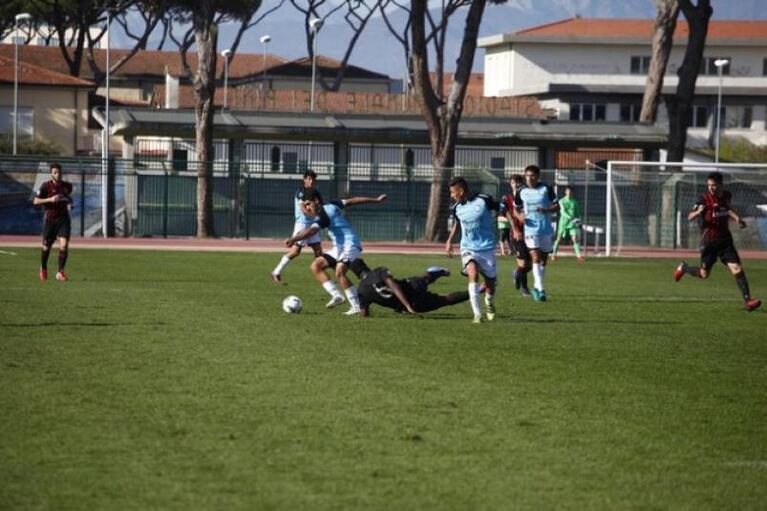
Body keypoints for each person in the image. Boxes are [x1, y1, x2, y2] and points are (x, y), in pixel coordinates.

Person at [286, 191, 387, 315]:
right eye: (305, 205)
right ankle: (337, 295)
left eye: (308, 204)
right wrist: (375, 200)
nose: (306, 208)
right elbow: (353, 200)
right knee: (316, 266)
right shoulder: (333, 204)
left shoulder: (323, 215)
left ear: (316, 201)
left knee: (340, 271)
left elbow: (311, 232)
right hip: (339, 247)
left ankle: (357, 306)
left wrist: (294, 239)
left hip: (350, 244)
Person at [674, 171, 761, 312]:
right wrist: (698, 212)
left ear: (720, 185)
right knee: (704, 274)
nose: (711, 188)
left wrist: (737, 218)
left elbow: (727, 208)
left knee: (737, 268)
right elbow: (689, 216)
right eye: (709, 185)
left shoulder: (727, 195)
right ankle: (684, 268)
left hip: (725, 240)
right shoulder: (703, 199)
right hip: (709, 242)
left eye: (714, 185)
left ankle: (748, 300)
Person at [445, 177, 499, 323]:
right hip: (468, 247)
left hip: (486, 247)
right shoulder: (456, 208)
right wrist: (450, 240)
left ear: (461, 191)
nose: (451, 195)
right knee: (473, 274)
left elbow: (502, 209)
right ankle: (477, 314)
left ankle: (488, 301)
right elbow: (457, 224)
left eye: (452, 192)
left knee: (490, 284)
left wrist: (512, 227)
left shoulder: (484, 200)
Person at [348, 260, 470, 317]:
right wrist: (407, 305)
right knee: (424, 280)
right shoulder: (378, 271)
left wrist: (407, 306)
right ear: (366, 266)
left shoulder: (361, 291)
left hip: (413, 304)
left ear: (355, 274)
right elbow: (393, 285)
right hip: (411, 287)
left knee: (445, 300)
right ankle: (436, 272)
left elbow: (364, 314)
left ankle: (478, 291)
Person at [514, 165, 559, 302]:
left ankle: (536, 287)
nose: (529, 178)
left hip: (545, 228)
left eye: (532, 175)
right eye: (527, 175)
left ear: (538, 176)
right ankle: (540, 288)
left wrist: (546, 210)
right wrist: (519, 216)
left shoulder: (546, 188)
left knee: (544, 259)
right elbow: (516, 208)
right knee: (535, 256)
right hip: (530, 228)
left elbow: (557, 206)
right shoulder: (521, 191)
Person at [271, 170, 323, 284]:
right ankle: (276, 272)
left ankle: (323, 277)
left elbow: (320, 207)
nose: (311, 181)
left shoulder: (316, 193)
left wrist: (318, 209)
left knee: (318, 251)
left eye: (313, 179)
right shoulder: (301, 192)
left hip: (313, 224)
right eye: (309, 179)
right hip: (302, 224)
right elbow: (303, 210)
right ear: (304, 179)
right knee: (295, 251)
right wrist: (314, 214)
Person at [33, 163, 73, 281]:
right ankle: (43, 267)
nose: (58, 174)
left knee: (64, 245)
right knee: (46, 247)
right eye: (55, 172)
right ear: (51, 173)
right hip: (50, 220)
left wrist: (70, 204)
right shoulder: (45, 186)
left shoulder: (67, 186)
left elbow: (68, 198)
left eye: (59, 172)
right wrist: (49, 199)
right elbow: (35, 201)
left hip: (63, 220)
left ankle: (60, 272)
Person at [501, 174, 531, 297]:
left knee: (532, 264)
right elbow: (506, 213)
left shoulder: (527, 197)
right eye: (514, 182)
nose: (516, 184)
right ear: (511, 184)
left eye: (519, 182)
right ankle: (524, 289)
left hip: (530, 233)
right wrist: (514, 230)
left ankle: (517, 274)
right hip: (517, 234)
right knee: (523, 264)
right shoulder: (507, 198)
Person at [551, 185, 584, 262]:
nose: (569, 193)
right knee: (559, 239)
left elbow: (578, 213)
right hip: (563, 224)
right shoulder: (561, 201)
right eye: (568, 191)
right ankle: (553, 254)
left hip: (572, 224)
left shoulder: (575, 202)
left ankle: (579, 256)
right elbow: (563, 212)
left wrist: (579, 219)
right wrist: (571, 218)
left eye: (571, 192)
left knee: (575, 239)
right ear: (565, 192)